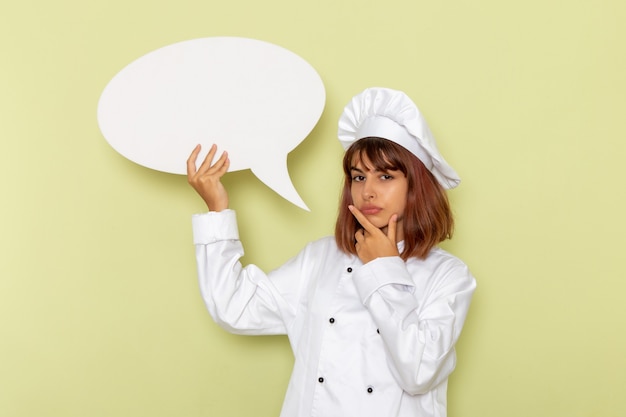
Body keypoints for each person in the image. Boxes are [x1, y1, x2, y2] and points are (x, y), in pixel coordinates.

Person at [186, 87, 476, 417]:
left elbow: (419, 374)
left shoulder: (449, 276)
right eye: (358, 176)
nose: (368, 191)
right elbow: (234, 308)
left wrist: (382, 267)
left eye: (385, 176)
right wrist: (217, 211)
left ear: (416, 185)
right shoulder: (321, 258)